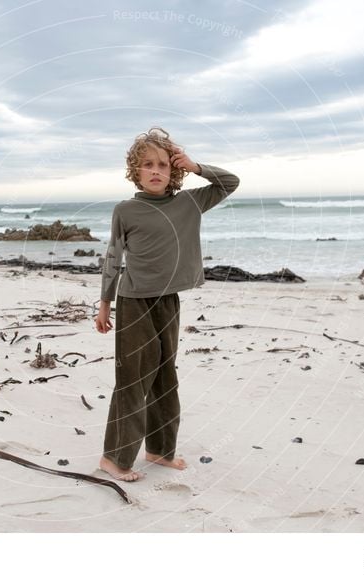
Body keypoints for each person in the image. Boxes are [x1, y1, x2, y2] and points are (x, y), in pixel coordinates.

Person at [95, 127, 240, 481]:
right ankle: (113, 459)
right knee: (132, 380)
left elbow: (230, 182)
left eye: (163, 164)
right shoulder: (126, 210)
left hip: (168, 302)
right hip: (133, 303)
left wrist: (194, 166)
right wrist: (104, 303)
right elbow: (113, 257)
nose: (155, 170)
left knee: (164, 378)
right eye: (147, 164)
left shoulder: (189, 202)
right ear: (136, 170)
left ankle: (159, 450)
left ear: (173, 170)